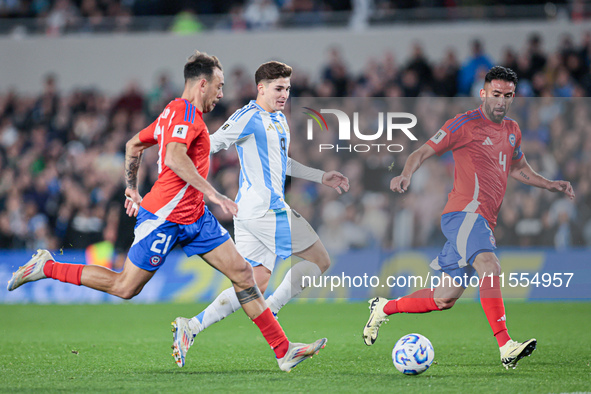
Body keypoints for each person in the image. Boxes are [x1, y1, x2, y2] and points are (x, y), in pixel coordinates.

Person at [7, 51, 326, 372]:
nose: (222, 94)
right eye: (219, 86)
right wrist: (213, 193)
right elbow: (174, 158)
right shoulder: (184, 113)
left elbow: (133, 144)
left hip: (196, 217)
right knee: (125, 287)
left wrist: (131, 186)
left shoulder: (178, 114)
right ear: (203, 84)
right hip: (165, 217)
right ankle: (47, 267)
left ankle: (283, 351)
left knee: (244, 275)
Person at [363, 66, 575, 370]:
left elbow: (517, 167)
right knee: (490, 265)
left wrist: (549, 183)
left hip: (483, 220)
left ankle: (384, 307)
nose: (501, 101)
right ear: (483, 93)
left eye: (508, 96)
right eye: (496, 94)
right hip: (463, 214)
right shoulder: (463, 124)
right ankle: (506, 345)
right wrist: (405, 174)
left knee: (444, 298)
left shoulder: (512, 130)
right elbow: (422, 152)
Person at [171, 61, 349, 367]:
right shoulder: (248, 117)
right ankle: (274, 310)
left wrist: (321, 176)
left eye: (288, 89)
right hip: (267, 210)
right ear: (261, 88)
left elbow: (283, 163)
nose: (284, 95)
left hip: (250, 214)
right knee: (321, 260)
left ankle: (191, 326)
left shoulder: (280, 120)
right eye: (279, 89)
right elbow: (214, 143)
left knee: (255, 284)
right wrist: (178, 148)